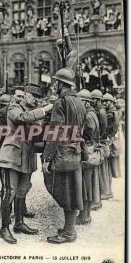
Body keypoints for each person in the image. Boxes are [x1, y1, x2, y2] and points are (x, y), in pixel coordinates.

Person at [0, 83, 53, 244]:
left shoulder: (32, 111)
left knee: (22, 190)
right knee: (9, 192)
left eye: (38, 98)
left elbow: (36, 134)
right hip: (11, 156)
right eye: (34, 96)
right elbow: (22, 118)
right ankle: (4, 228)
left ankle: (19, 223)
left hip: (26, 157)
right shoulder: (14, 107)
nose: (36, 100)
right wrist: (45, 110)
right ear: (26, 94)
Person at [42, 67, 86, 244]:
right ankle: (69, 229)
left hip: (62, 153)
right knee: (73, 190)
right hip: (75, 151)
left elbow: (55, 132)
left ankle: (68, 233)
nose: (54, 85)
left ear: (61, 84)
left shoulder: (61, 102)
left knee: (64, 191)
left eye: (56, 82)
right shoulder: (80, 102)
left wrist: (46, 158)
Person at [77, 89, 100, 224]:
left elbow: (87, 134)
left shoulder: (88, 115)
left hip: (88, 150)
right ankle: (85, 214)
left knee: (85, 184)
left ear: (85, 102)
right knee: (88, 183)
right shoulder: (93, 113)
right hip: (91, 148)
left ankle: (85, 216)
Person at [91, 89, 108, 207]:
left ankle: (98, 199)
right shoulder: (98, 110)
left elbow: (103, 127)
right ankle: (98, 198)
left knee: (98, 172)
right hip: (98, 141)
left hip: (99, 141)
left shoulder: (101, 111)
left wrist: (99, 138)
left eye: (93, 99)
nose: (91, 101)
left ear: (97, 100)